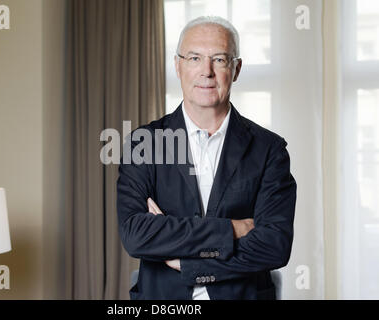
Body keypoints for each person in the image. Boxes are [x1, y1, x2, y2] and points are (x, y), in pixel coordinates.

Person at [117, 16, 297, 300]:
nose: (207, 71)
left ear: (236, 69)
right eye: (194, 58)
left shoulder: (269, 150)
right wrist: (232, 229)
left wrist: (189, 264)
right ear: (178, 66)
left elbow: (274, 246)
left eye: (220, 60)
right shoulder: (145, 143)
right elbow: (136, 235)